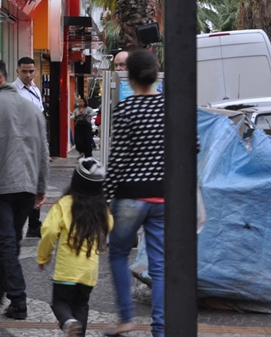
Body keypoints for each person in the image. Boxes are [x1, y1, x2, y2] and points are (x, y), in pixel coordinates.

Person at [0, 58, 49, 320]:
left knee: (7, 242)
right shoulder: (32, 109)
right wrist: (41, 186)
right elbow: (43, 149)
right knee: (12, 241)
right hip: (27, 185)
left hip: (1, 185)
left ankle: (18, 300)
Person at [104, 49, 165, 337]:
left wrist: (105, 198)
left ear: (129, 77)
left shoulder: (127, 109)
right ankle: (161, 329)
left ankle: (126, 318)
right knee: (160, 265)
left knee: (117, 254)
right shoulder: (170, 107)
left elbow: (117, 160)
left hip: (130, 195)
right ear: (155, 73)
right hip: (163, 196)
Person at [37, 157, 112, 337]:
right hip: (89, 271)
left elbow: (49, 231)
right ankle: (78, 332)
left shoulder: (64, 204)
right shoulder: (101, 207)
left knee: (59, 303)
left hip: (66, 270)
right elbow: (110, 225)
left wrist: (43, 257)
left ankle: (68, 322)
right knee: (81, 305)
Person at [12, 56, 44, 238]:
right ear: (17, 71)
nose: (28, 75)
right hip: (20, 147)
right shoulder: (13, 91)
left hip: (35, 146)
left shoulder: (35, 90)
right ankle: (18, 224)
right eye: (24, 71)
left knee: (35, 185)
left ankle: (34, 225)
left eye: (31, 71)